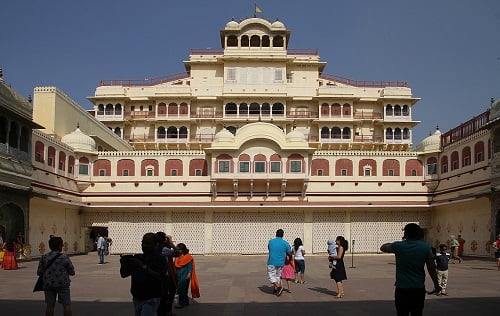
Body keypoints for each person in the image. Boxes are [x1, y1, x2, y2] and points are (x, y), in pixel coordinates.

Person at [380, 223, 441, 316]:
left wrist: (397, 242)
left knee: (402, 313)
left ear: (406, 233)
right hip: (418, 288)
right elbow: (431, 268)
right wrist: (436, 285)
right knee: (417, 313)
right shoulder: (425, 247)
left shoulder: (398, 246)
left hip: (402, 288)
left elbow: (383, 247)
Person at [120, 232, 167, 316]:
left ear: (155, 245)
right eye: (143, 243)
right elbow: (124, 274)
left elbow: (160, 277)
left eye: (148, 243)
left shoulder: (160, 259)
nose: (144, 246)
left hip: (151, 298)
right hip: (137, 298)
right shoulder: (138, 257)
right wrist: (124, 265)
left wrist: (142, 266)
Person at [37, 236, 75, 316]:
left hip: (48, 284)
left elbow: (39, 272)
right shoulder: (64, 257)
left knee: (50, 306)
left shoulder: (44, 257)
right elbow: (72, 272)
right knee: (66, 305)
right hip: (62, 283)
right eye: (61, 245)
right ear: (59, 246)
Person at [155, 232, 177, 316]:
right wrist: (171, 243)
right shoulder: (164, 249)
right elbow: (178, 253)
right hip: (165, 274)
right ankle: (167, 311)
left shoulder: (154, 248)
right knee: (169, 292)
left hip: (156, 274)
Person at [174, 243, 200, 309]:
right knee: (181, 289)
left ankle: (181, 303)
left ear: (182, 250)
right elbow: (175, 266)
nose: (176, 250)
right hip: (178, 275)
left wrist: (189, 273)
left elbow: (190, 266)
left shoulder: (188, 257)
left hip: (185, 276)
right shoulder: (177, 257)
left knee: (182, 290)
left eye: (178, 249)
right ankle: (185, 302)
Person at [267, 229, 292, 296]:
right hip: (281, 262)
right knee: (277, 276)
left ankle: (278, 287)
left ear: (276, 234)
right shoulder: (286, 243)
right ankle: (275, 290)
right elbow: (289, 253)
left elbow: (269, 249)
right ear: (283, 235)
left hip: (272, 261)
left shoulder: (271, 242)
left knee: (271, 276)